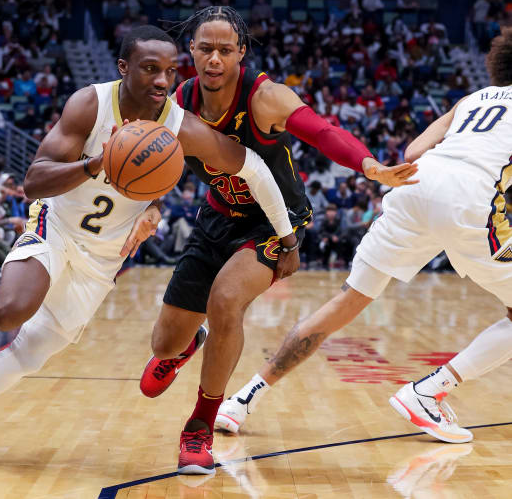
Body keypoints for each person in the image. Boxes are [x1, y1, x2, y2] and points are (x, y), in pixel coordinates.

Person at [0, 25, 300, 466]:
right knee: (13, 308)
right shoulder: (90, 103)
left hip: (104, 258)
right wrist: (95, 163)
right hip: (57, 228)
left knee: (30, 355)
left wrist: (286, 234)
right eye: (150, 69)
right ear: (123, 68)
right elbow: (34, 181)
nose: (163, 81)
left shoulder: (179, 126)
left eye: (170, 71)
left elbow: (254, 168)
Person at [136, 6, 417, 475]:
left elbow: (323, 132)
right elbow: (150, 160)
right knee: (163, 344)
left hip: (274, 223)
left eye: (225, 50)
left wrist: (368, 166)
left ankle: (200, 426)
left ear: (240, 53)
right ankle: (187, 346)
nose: (214, 59)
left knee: (227, 300)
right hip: (217, 217)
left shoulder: (265, 96)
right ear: (191, 51)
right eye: (205, 48)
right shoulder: (177, 102)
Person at [216, 28, 512, 445]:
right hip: (469, 200)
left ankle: (243, 399)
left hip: (417, 184)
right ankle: (429, 391)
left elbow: (411, 153)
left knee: (347, 302)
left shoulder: (472, 100)